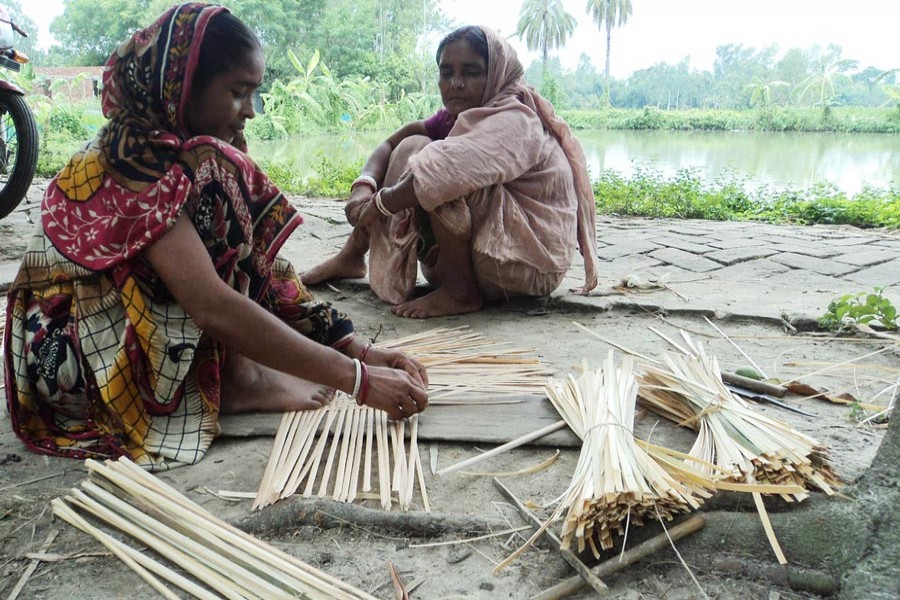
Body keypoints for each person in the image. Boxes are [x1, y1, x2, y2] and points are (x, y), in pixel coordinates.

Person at [3, 3, 428, 471]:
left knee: (225, 183)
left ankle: (240, 370)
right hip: (76, 357)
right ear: (182, 86)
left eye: (253, 94)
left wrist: (356, 347)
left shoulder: (185, 152)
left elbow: (263, 272)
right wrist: (360, 380)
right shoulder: (135, 163)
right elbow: (211, 304)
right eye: (238, 92)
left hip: (121, 321)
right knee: (216, 183)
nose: (249, 110)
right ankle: (240, 377)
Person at [302, 25, 600, 319]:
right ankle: (352, 256)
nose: (456, 83)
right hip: (490, 255)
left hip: (526, 265)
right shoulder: (459, 116)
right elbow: (391, 144)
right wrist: (363, 188)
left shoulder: (516, 118)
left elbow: (442, 172)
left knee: (439, 170)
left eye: (471, 72)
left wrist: (378, 205)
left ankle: (460, 291)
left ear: (496, 73)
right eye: (447, 73)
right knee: (412, 147)